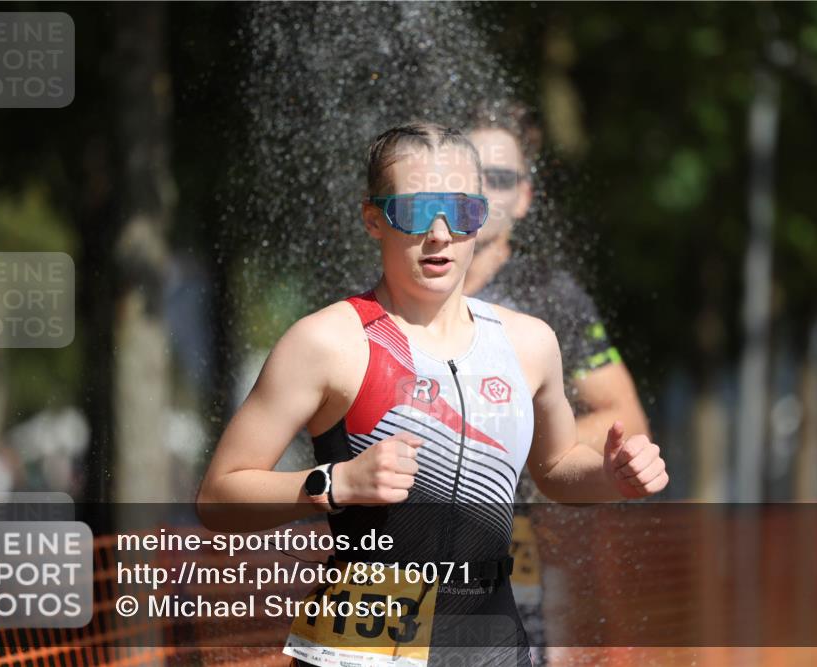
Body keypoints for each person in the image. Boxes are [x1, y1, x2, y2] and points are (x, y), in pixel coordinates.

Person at [197, 122, 669, 667]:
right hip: (364, 638)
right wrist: (335, 482)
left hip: (489, 636)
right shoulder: (327, 342)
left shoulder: (530, 343)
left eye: (462, 212)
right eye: (418, 211)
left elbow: (556, 465)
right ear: (373, 219)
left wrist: (610, 477)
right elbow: (217, 498)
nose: (440, 233)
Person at [463, 103, 652, 665]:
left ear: (524, 197)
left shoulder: (551, 294)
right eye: (470, 174)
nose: (483, 190)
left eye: (499, 178)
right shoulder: (402, 283)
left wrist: (514, 447)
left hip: (511, 543)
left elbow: (625, 419)